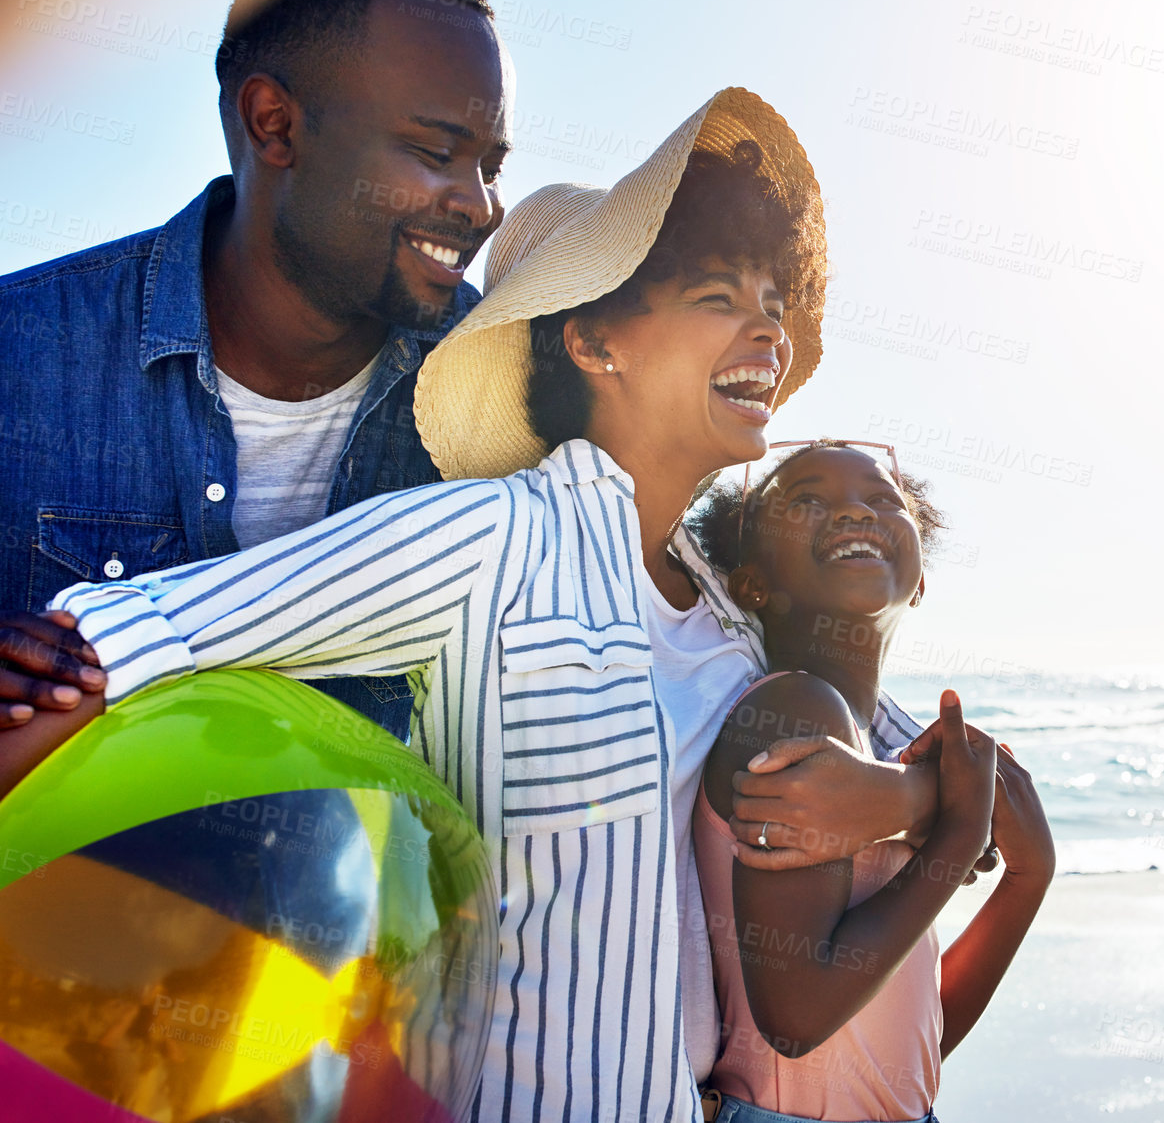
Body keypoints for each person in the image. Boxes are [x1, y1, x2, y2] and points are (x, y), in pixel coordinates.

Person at [9, 89, 962, 1123]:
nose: (769, 328)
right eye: (718, 297)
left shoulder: (735, 605)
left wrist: (914, 800)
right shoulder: (489, 538)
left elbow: (910, 747)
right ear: (596, 343)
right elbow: (170, 625)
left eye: (773, 300)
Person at [0, 0, 511, 737]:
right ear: (274, 124)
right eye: (437, 150)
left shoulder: (508, 394)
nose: (481, 205)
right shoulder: (22, 352)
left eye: (490, 166)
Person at [686, 443, 1053, 1122]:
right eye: (806, 501)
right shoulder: (795, 710)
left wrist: (1029, 879)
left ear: (918, 581)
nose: (856, 509)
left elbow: (909, 1046)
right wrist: (956, 835)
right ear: (752, 583)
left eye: (885, 501)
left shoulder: (875, 743)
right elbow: (797, 1016)